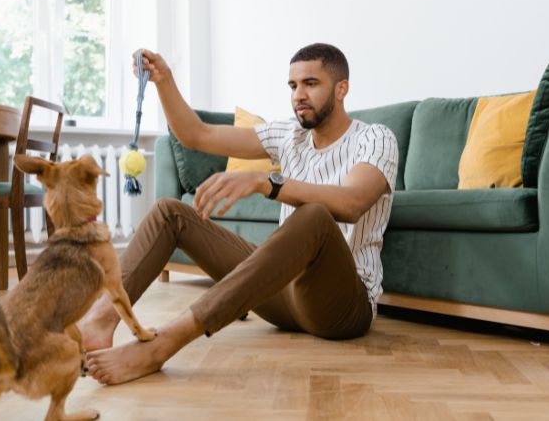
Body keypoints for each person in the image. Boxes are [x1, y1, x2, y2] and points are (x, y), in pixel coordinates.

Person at [79, 43, 398, 385]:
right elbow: (195, 134)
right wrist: (164, 81)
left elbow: (351, 203)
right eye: (293, 86)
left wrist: (266, 181)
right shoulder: (289, 136)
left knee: (314, 217)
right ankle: (99, 321)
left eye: (311, 84)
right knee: (170, 213)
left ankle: (164, 343)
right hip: (283, 300)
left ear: (341, 89)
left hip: (342, 309)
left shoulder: (375, 138)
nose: (299, 95)